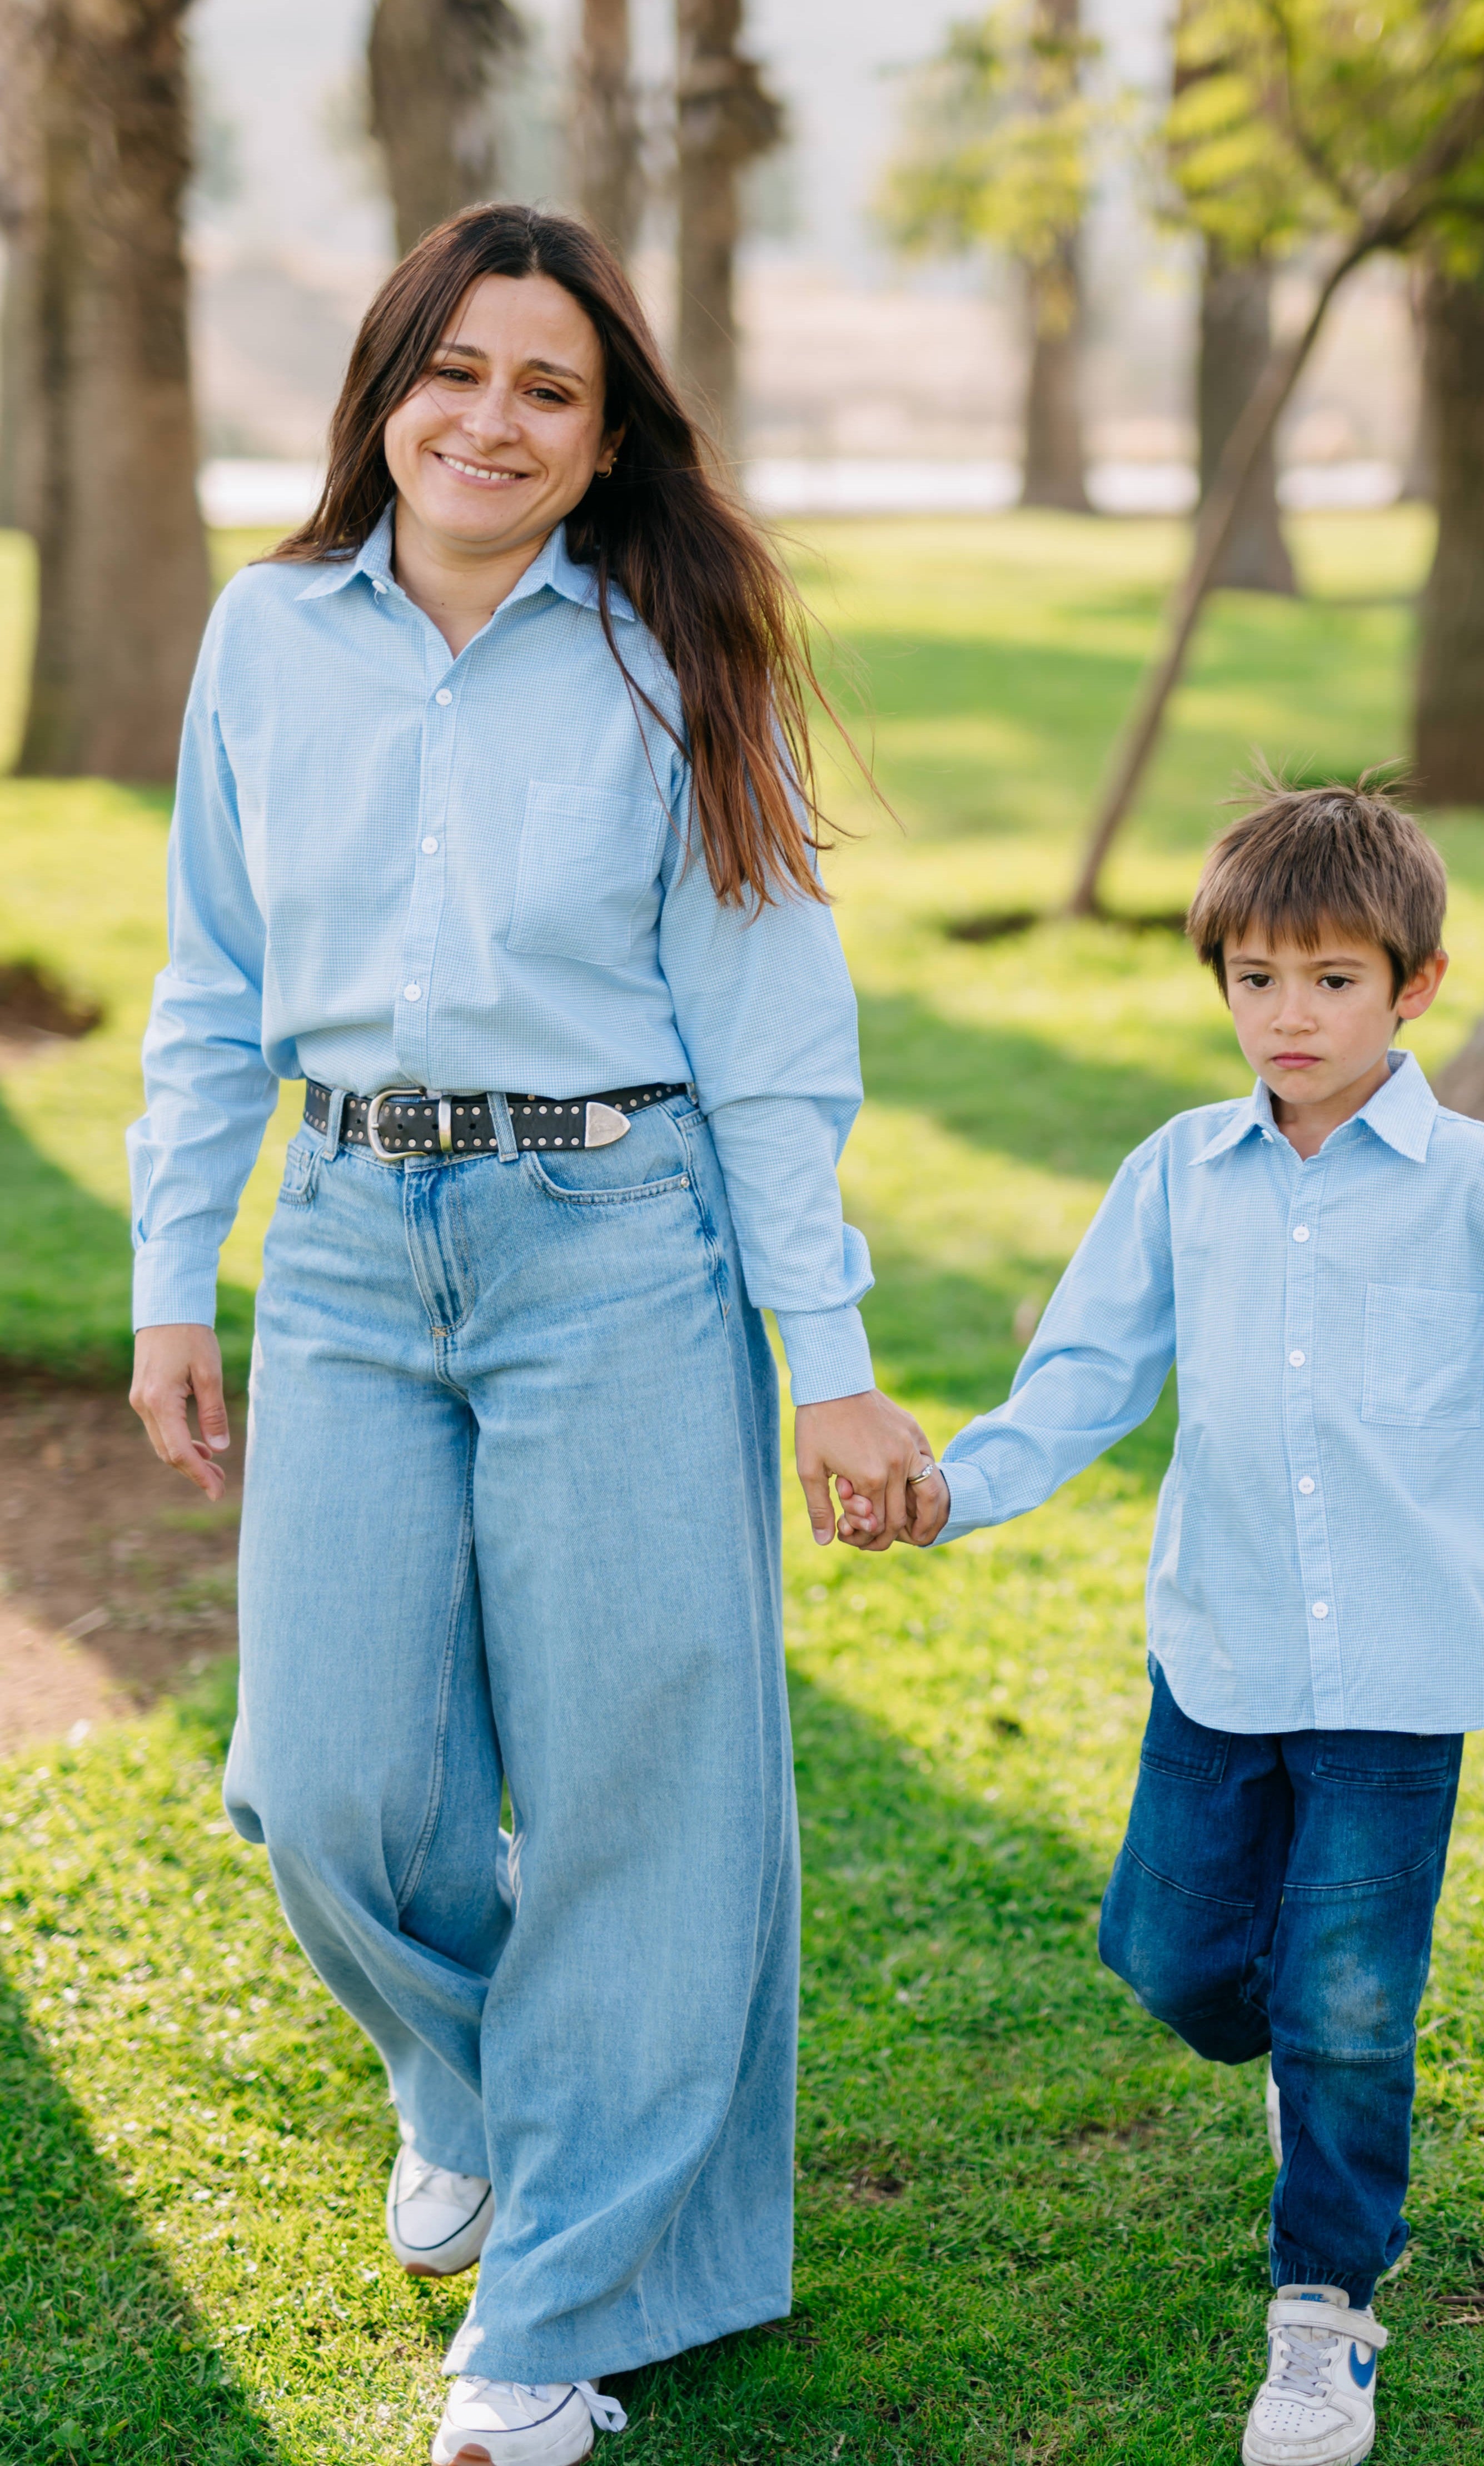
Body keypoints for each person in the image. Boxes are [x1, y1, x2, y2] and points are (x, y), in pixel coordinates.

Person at [127, 202, 932, 2466]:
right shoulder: (267, 633)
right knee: (326, 1782)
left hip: (621, 1238)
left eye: (549, 389)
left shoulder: (678, 649)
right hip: (350, 1238)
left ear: (606, 442)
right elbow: (209, 977)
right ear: (387, 392)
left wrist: (828, 1351)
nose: (493, 419)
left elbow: (769, 1030)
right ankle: (481, 2086)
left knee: (639, 1788)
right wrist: (174, 1272)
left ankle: (552, 2311)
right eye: (456, 371)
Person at [875, 784, 1484, 2466]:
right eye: (1257, 979)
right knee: (1174, 1958)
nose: (1292, 1015)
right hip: (1221, 1656)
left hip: (1404, 1680)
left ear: (1416, 987)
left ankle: (1327, 2306)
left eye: (1334, 980)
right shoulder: (1178, 1175)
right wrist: (958, 1488)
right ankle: (1300, 2059)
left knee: (1352, 2008)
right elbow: (1085, 1376)